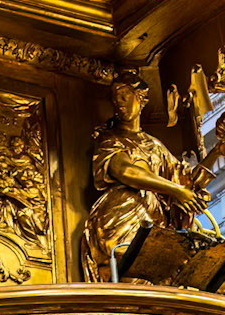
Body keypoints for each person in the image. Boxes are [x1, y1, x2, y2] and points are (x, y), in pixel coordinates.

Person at [81, 71, 210, 281]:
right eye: (115, 98)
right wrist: (176, 190)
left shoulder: (155, 146)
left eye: (124, 96)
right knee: (127, 269)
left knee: (149, 278)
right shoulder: (109, 138)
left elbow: (188, 181)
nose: (118, 103)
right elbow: (124, 170)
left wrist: (219, 151)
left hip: (151, 221)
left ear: (140, 100)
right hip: (120, 214)